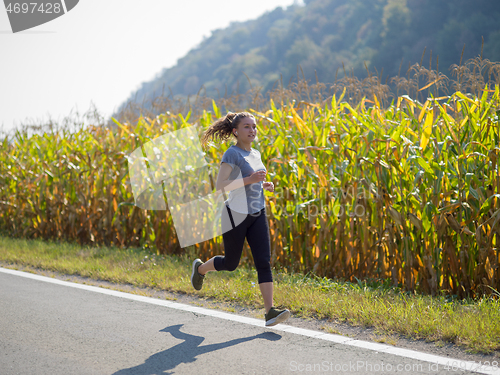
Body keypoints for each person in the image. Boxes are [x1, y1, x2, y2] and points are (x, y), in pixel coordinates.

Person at [190, 111, 291, 327]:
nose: (252, 130)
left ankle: (269, 312)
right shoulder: (232, 154)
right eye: (247, 126)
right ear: (235, 131)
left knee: (263, 262)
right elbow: (220, 186)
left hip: (257, 213)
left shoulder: (256, 153)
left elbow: (253, 180)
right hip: (235, 215)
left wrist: (263, 184)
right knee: (231, 263)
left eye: (254, 126)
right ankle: (200, 269)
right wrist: (250, 179)